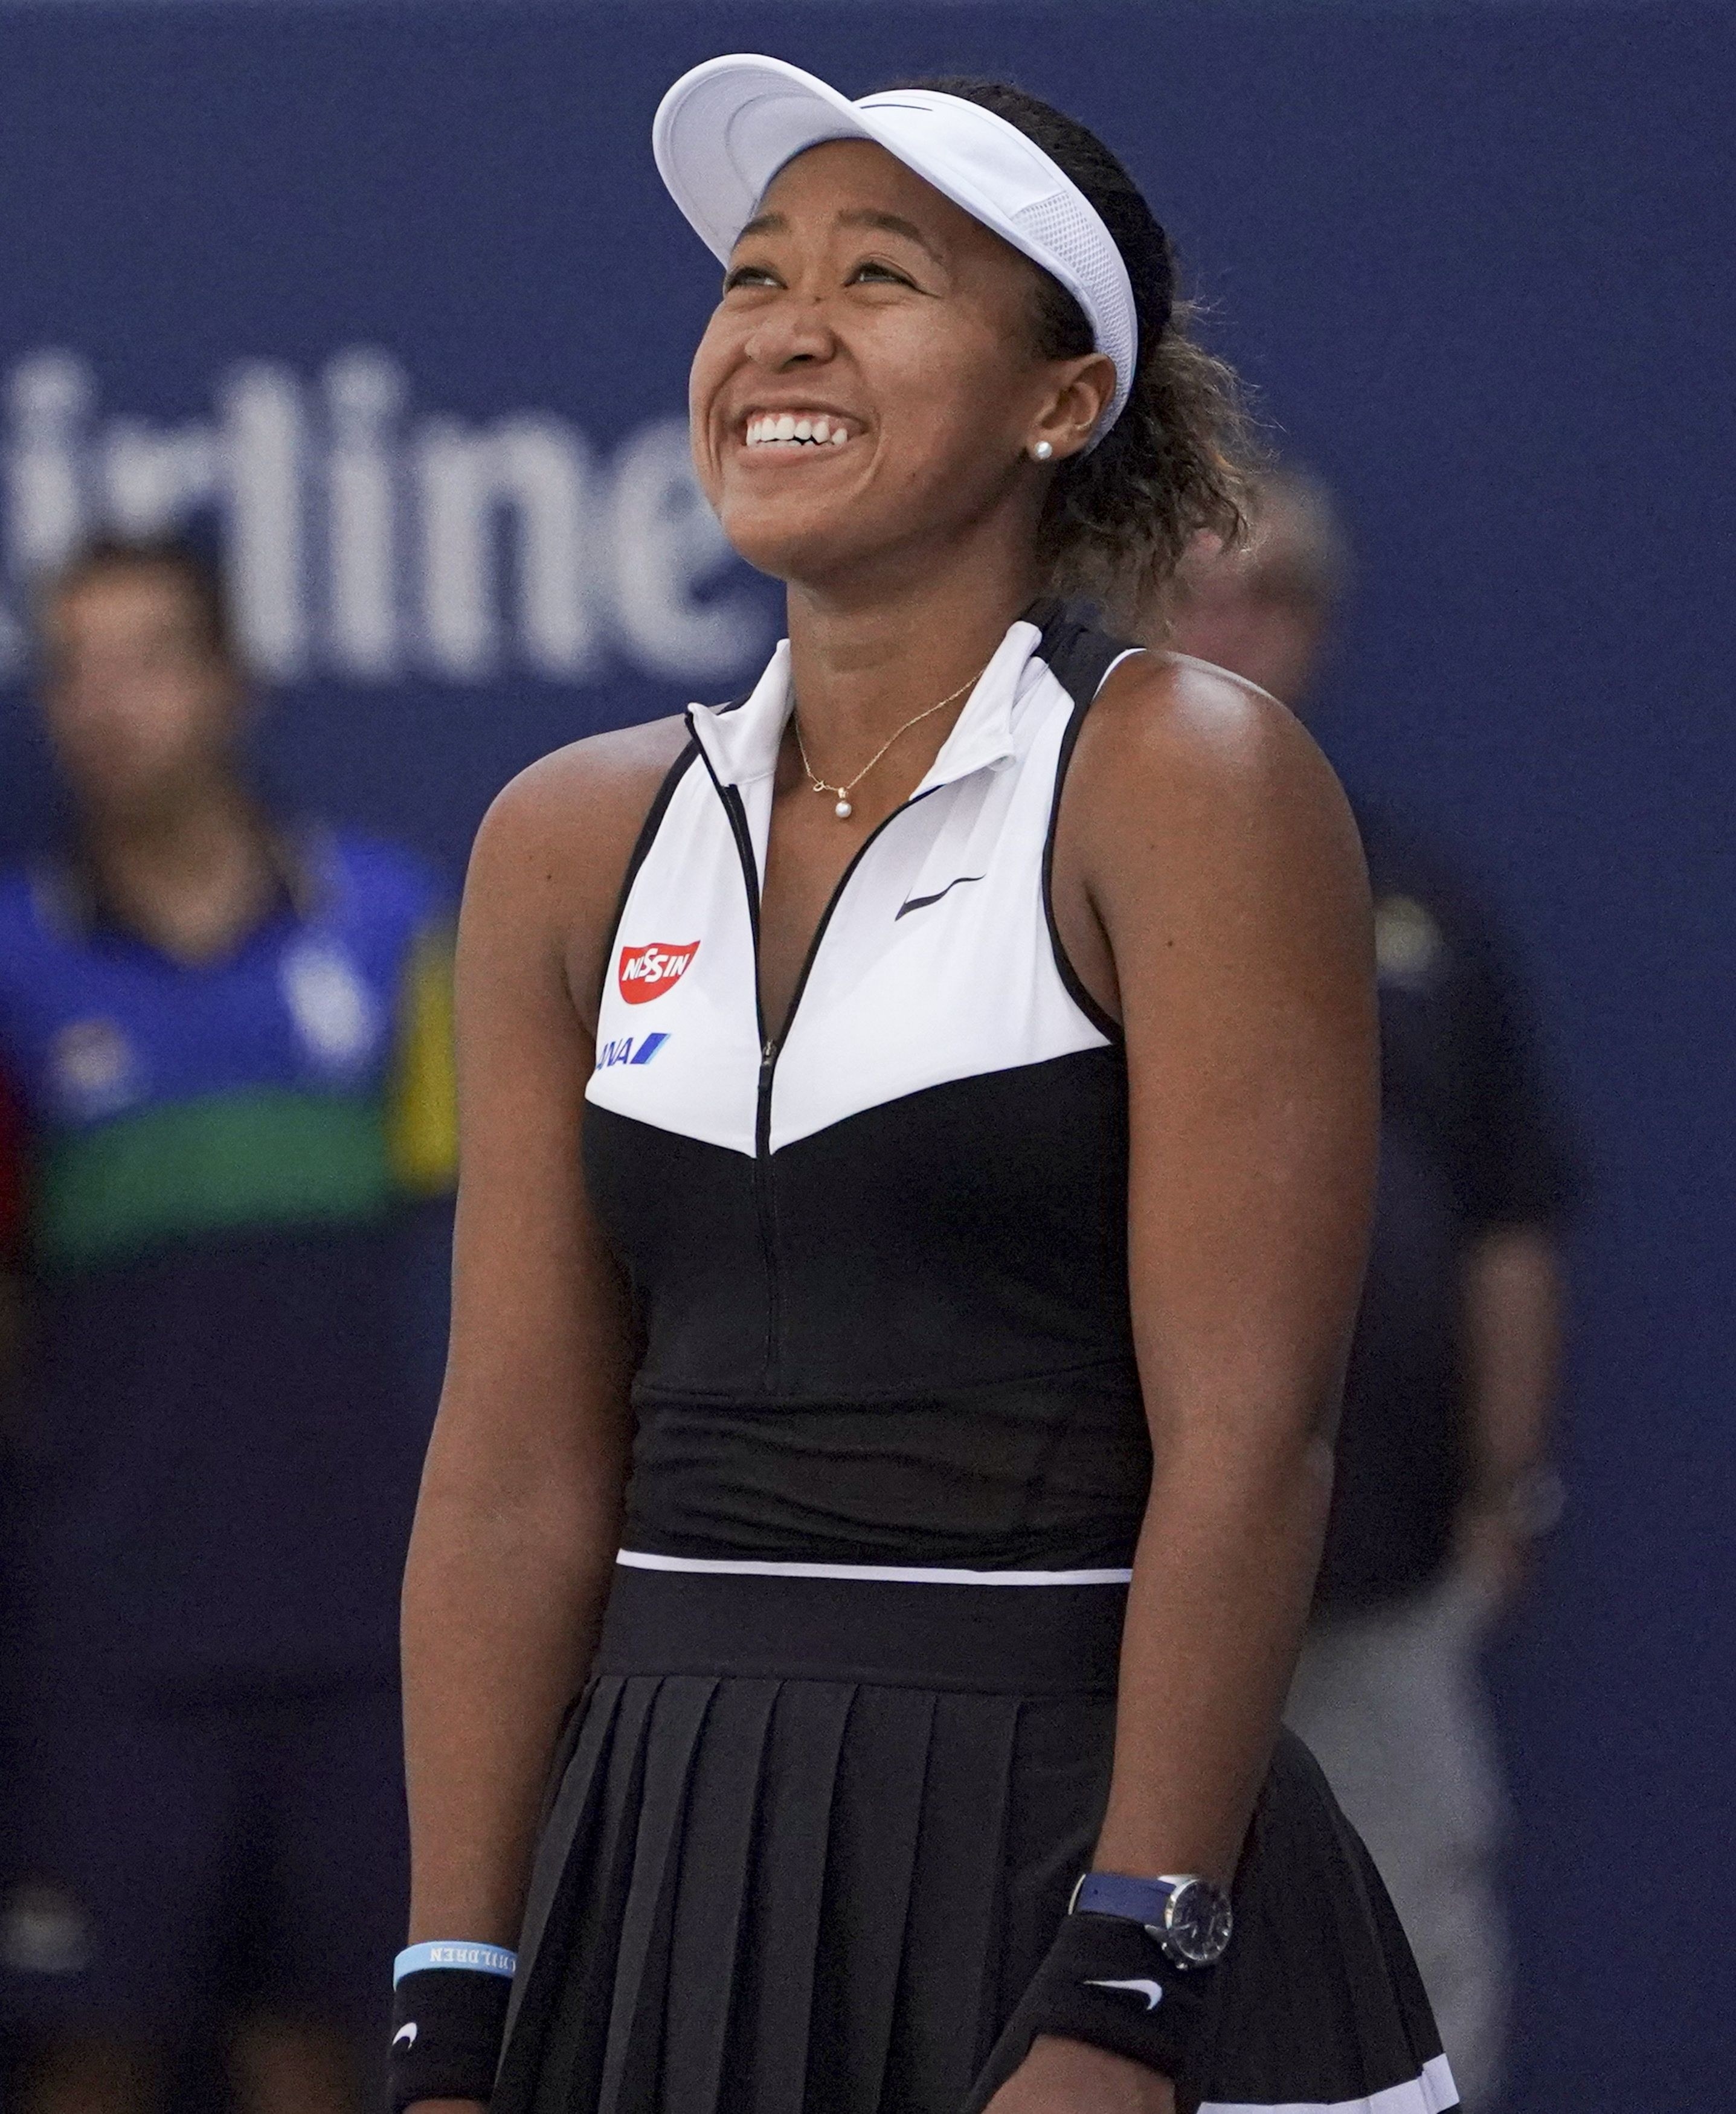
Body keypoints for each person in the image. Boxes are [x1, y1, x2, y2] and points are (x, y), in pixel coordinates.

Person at [397, 59, 1456, 2114]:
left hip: (1075, 1880)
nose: (781, 326)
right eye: (751, 276)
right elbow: (512, 1468)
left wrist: (1126, 1985)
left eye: (880, 277)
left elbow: (1252, 1438)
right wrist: (457, 1986)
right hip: (660, 1882)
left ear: (1061, 399)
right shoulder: (563, 836)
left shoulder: (1184, 778)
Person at [0, 536, 457, 2114]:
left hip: (353, 1621)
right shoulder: (12, 962)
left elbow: (466, 1255)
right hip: (107, 1630)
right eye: (68, 667)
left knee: (323, 2051)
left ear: (231, 686)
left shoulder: (391, 924)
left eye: (141, 659)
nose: (99, 703)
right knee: (92, 2048)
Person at [1157, 471, 1577, 2109]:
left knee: (1413, 1935)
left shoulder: (1420, 902)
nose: (1223, 628)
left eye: (1260, 595)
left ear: (1312, 632)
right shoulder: (1048, 877)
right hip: (1123, 1570)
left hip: (1380, 1563)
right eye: (1190, 592)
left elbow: (1507, 1214)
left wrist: (1499, 1492)